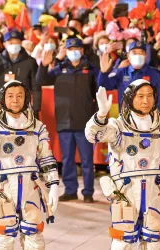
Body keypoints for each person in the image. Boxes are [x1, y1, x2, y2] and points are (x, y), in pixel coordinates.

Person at [85, 80, 160, 250]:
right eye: (140, 96)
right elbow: (92, 135)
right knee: (123, 242)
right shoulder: (118, 126)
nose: (146, 101)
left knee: (154, 243)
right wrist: (101, 115)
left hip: (154, 193)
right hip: (126, 194)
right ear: (130, 98)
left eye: (149, 96)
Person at [0, 80, 59, 250]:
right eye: (10, 96)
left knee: (34, 238)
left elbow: (46, 157)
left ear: (27, 99)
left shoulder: (37, 127)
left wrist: (53, 185)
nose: (15, 100)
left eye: (20, 96)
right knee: (4, 238)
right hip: (4, 188)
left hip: (30, 187)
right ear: (3, 98)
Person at [36, 37, 98, 203]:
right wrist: (43, 65)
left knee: (86, 160)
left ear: (82, 50)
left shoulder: (90, 69)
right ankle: (70, 190)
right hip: (64, 121)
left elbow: (98, 93)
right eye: (70, 50)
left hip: (85, 121)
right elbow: (41, 81)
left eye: (76, 49)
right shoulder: (59, 68)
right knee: (67, 159)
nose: (73, 52)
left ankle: (88, 192)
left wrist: (97, 118)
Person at [98, 41, 160, 120]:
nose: (138, 55)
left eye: (141, 52)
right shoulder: (122, 72)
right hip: (126, 120)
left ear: (145, 56)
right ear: (128, 56)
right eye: (134, 52)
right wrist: (103, 73)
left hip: (148, 121)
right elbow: (105, 86)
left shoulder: (154, 74)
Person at [0, 30, 41, 118]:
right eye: (10, 42)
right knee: (3, 132)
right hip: (3, 107)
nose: (14, 45)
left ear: (21, 43)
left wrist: (36, 108)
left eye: (17, 42)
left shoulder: (30, 61)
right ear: (4, 44)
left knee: (24, 131)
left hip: (24, 107)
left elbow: (36, 86)